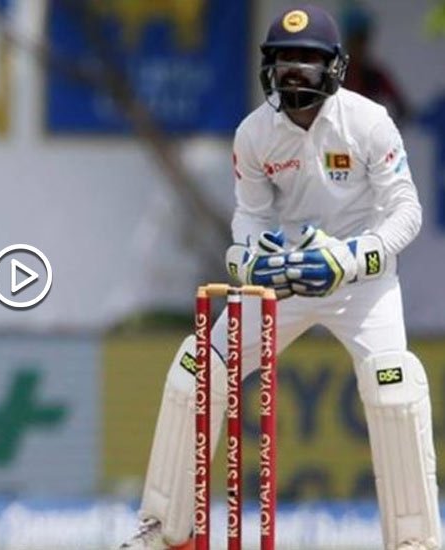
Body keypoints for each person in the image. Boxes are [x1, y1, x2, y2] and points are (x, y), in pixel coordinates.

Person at [118, 5, 439, 550]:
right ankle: (165, 529)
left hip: (359, 281)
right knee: (198, 367)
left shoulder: (368, 122)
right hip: (284, 279)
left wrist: (352, 258)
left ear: (334, 68)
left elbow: (405, 211)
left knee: (394, 386)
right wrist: (249, 258)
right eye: (284, 61)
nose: (294, 73)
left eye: (307, 61)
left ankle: (415, 541)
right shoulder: (255, 133)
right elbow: (250, 215)